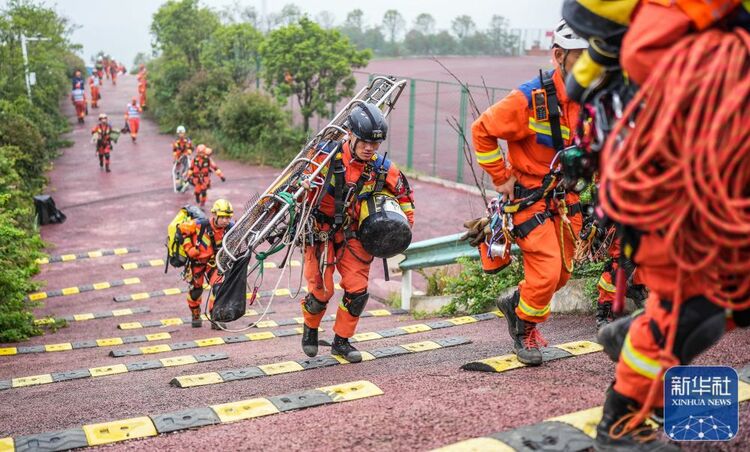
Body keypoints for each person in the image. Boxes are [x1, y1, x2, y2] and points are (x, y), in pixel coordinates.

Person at [560, 0, 750, 449]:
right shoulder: (676, 24)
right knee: (686, 312)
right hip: (666, 201)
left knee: (733, 299)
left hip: (696, 191)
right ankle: (621, 420)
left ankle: (638, 336)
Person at [469, 19, 586, 366]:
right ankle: (523, 327)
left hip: (565, 197)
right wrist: (500, 176)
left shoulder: (594, 99)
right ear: (559, 56)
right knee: (548, 270)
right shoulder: (529, 98)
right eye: (581, 58)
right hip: (529, 195)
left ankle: (515, 302)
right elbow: (482, 130)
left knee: (563, 272)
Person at [299, 103, 415, 363]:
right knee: (321, 292)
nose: (370, 148)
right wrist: (303, 185)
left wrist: (404, 227)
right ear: (350, 134)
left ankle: (341, 341)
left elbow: (404, 195)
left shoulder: (382, 168)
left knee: (357, 291)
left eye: (375, 143)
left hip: (354, 234)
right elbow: (296, 189)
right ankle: (310, 328)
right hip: (320, 232)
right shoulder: (323, 158)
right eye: (364, 142)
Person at [180, 199, 234, 328]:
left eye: (228, 217)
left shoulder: (231, 228)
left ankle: (215, 317)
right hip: (197, 262)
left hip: (214, 264)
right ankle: (195, 313)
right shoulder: (198, 224)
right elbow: (181, 232)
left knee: (218, 288)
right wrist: (189, 248)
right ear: (215, 214)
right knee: (195, 291)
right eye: (223, 217)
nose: (226, 220)